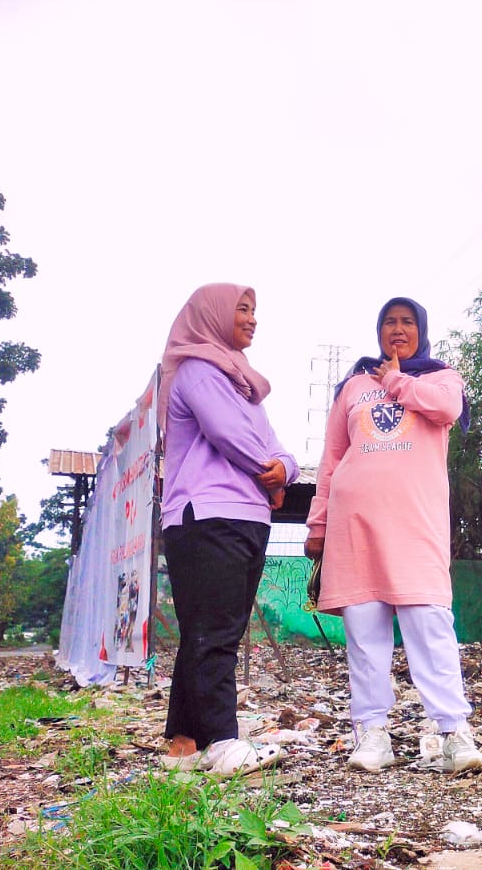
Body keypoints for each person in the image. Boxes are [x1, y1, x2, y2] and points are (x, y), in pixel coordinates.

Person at [305, 296, 482, 774]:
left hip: (416, 523)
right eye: (389, 322)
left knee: (429, 623)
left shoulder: (441, 377)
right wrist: (318, 523)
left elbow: (446, 409)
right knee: (365, 630)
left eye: (407, 322)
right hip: (355, 525)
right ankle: (372, 733)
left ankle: (453, 732)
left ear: (421, 330)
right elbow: (331, 459)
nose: (398, 329)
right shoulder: (353, 386)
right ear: (378, 330)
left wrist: (396, 380)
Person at [157, 283, 298, 777]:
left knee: (211, 630)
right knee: (214, 632)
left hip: (245, 516)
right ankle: (222, 741)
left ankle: (184, 746)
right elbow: (229, 434)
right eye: (242, 309)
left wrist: (285, 469)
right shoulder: (197, 370)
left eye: (254, 310)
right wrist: (271, 472)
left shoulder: (243, 385)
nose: (252, 319)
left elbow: (276, 445)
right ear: (213, 315)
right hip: (206, 515)